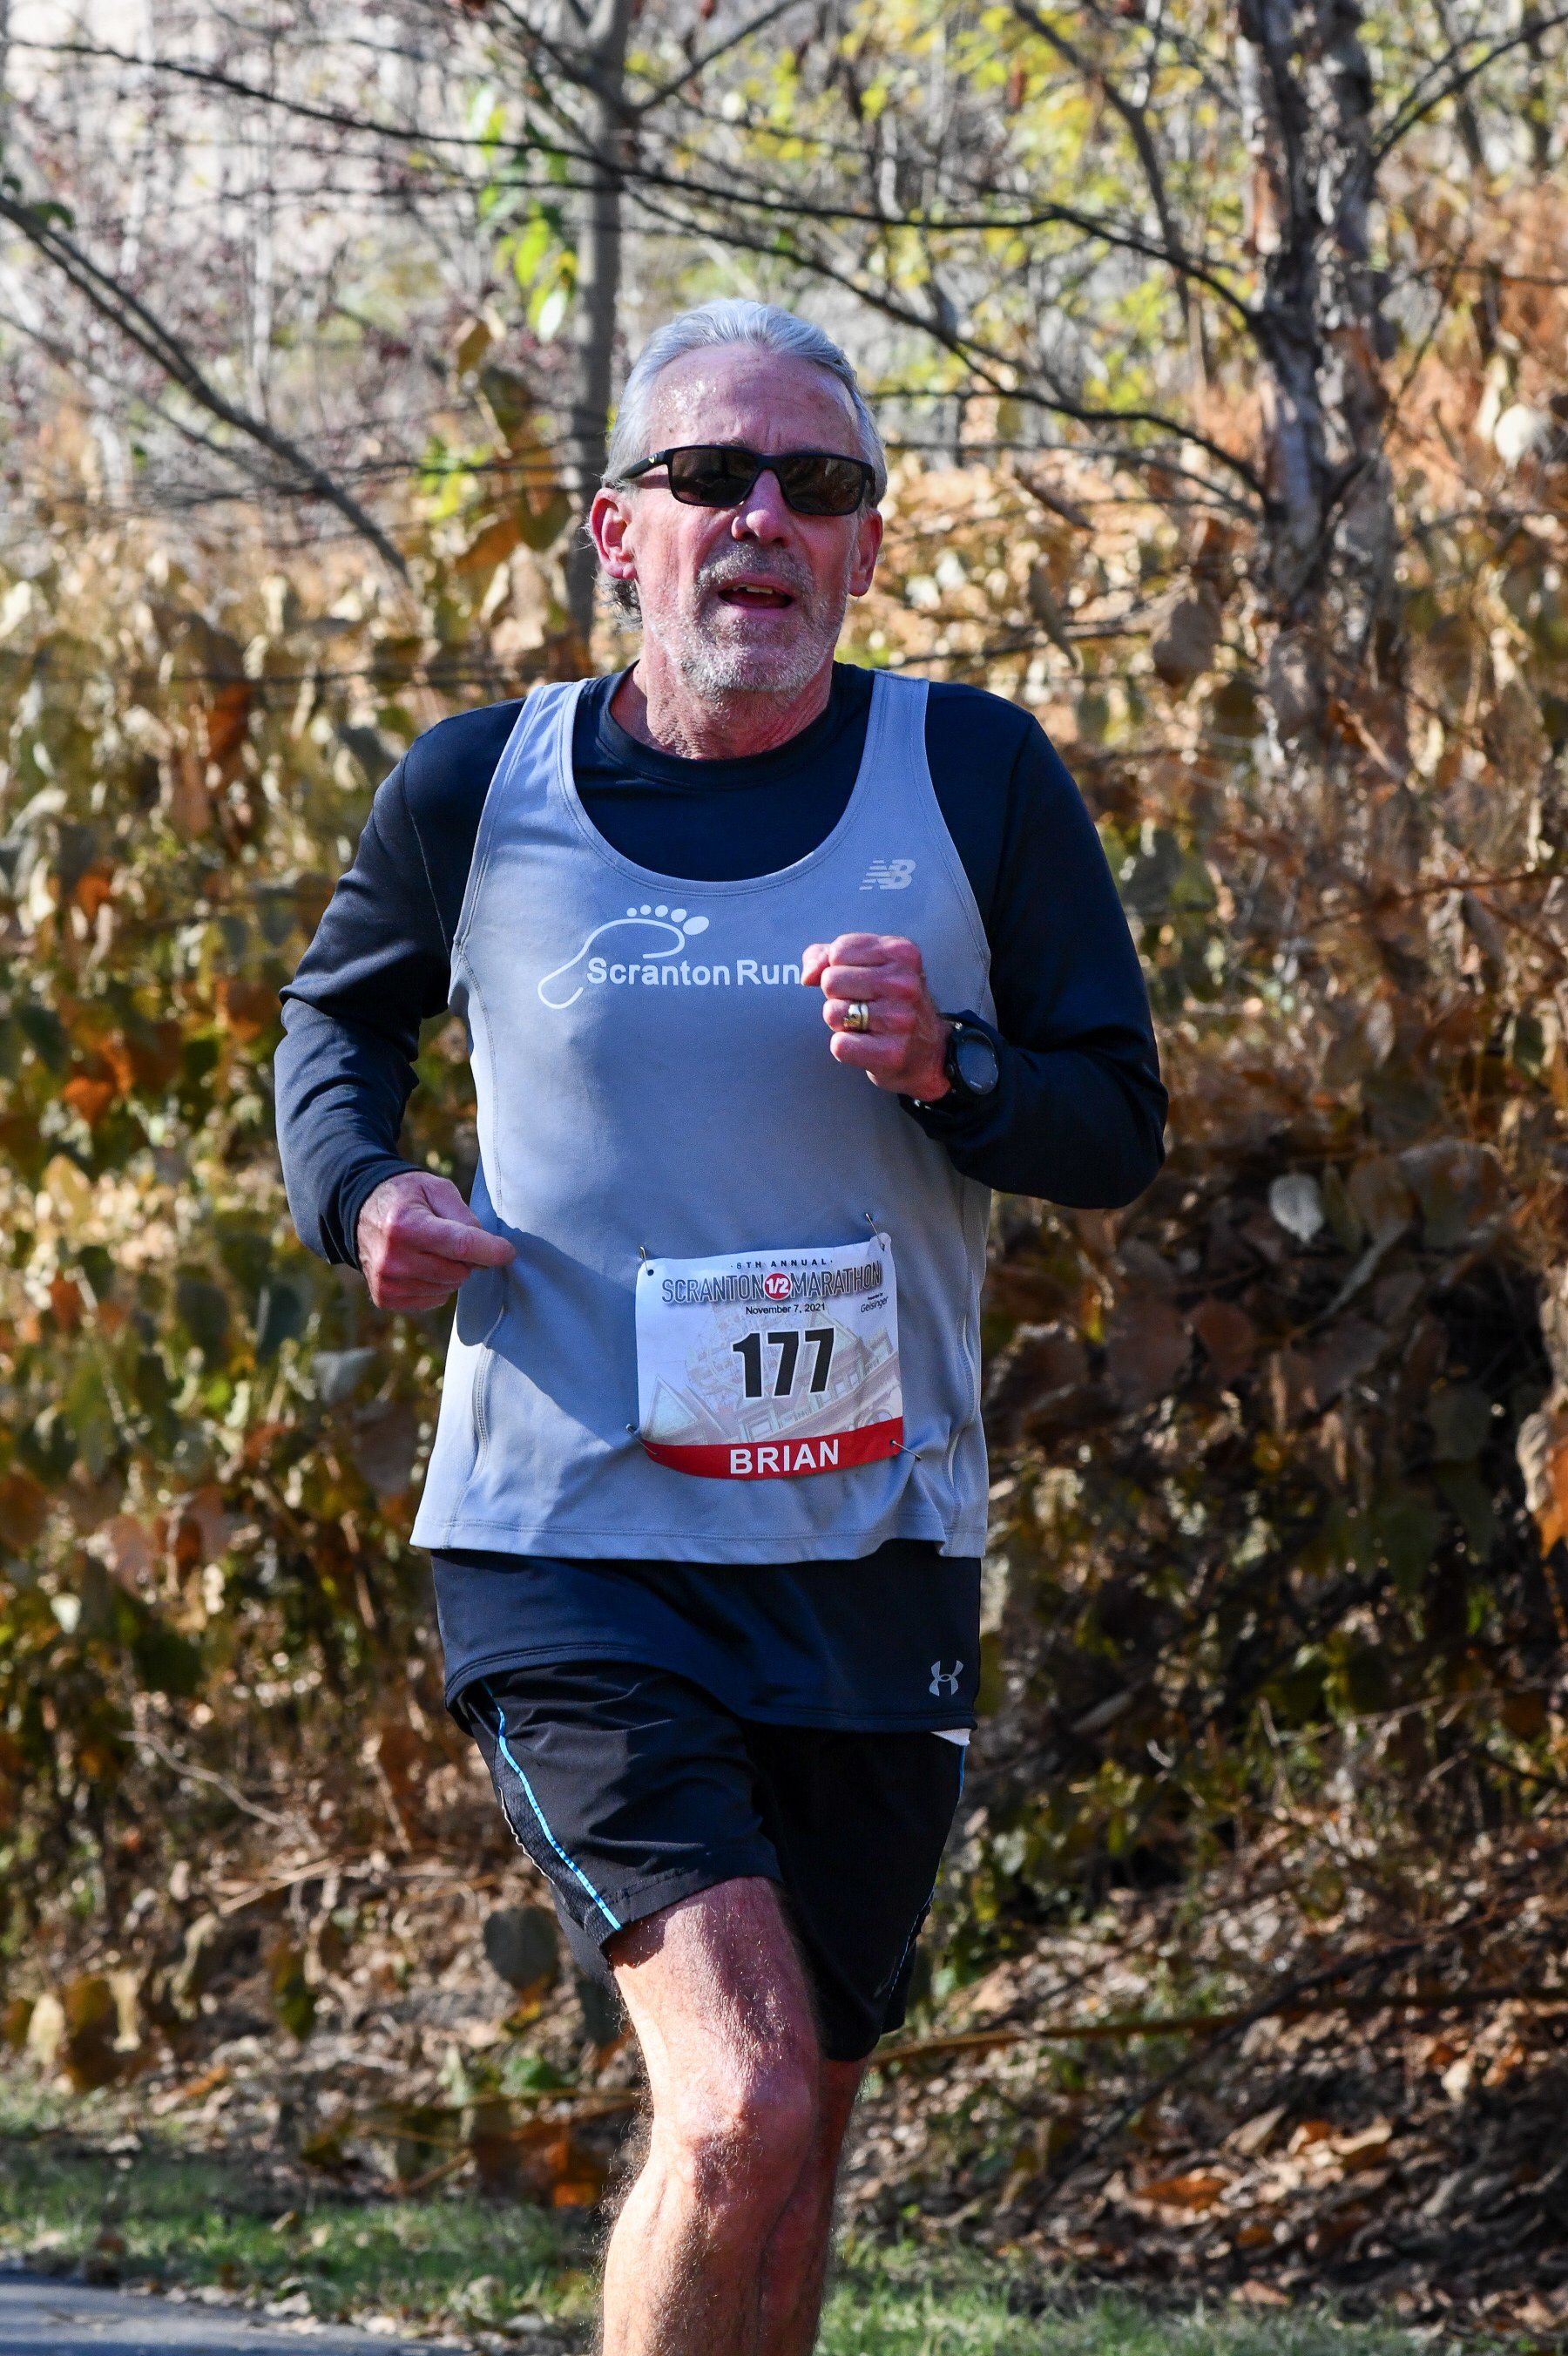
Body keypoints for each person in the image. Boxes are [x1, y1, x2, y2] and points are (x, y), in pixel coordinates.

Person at [275, 297, 1165, 2356]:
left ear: (864, 546)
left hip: (871, 1550)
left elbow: (1114, 1121)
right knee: (740, 2093)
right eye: (710, 475)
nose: (762, 515)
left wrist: (953, 1067)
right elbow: (340, 1023)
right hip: (571, 1542)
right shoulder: (479, 786)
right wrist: (366, 1192)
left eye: (817, 484)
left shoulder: (975, 773)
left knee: (801, 2129)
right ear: (619, 526)